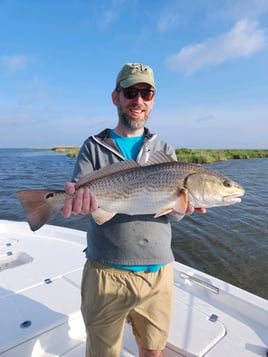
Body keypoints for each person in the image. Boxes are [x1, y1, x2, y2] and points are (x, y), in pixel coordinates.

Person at [62, 63, 205, 357]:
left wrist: (183, 206)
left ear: (152, 100)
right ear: (116, 97)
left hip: (158, 273)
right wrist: (76, 203)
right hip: (105, 273)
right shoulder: (94, 146)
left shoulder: (165, 149)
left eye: (146, 93)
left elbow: (171, 214)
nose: (138, 100)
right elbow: (82, 199)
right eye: (131, 92)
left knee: (153, 351)